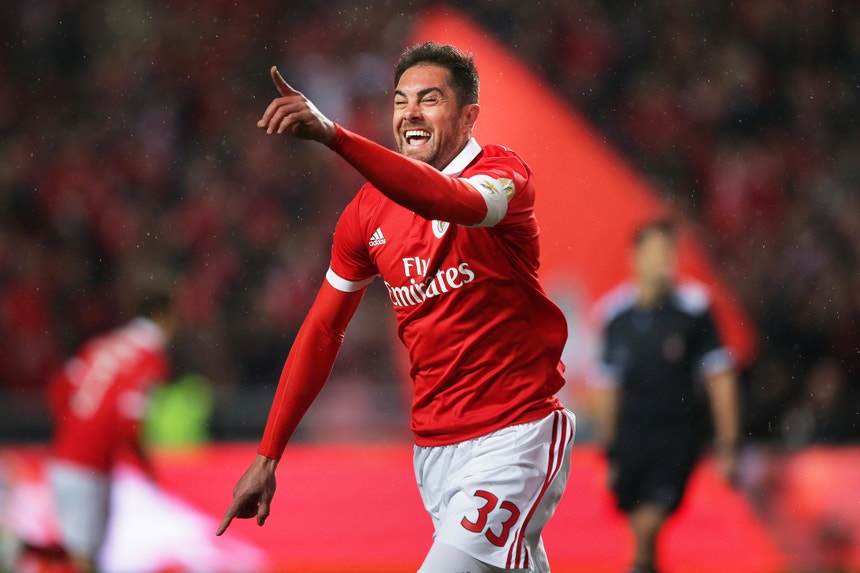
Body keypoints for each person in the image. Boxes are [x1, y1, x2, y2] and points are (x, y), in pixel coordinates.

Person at [216, 42, 576, 573]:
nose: (410, 113)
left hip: (514, 435)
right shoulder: (366, 213)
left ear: (468, 116)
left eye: (430, 99)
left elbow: (446, 200)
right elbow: (323, 329)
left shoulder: (504, 174)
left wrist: (334, 136)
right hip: (434, 450)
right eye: (401, 101)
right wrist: (268, 455)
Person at [590, 218, 740, 573]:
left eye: (670, 252)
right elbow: (606, 389)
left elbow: (720, 378)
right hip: (630, 438)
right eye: (656, 251)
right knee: (641, 531)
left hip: (677, 437)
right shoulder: (614, 315)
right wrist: (607, 449)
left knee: (647, 526)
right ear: (636, 257)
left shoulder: (694, 309)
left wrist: (727, 443)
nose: (664, 261)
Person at [45, 288, 178, 573]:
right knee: (84, 558)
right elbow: (128, 422)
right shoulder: (149, 358)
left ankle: (21, 549)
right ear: (164, 316)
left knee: (78, 552)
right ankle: (18, 548)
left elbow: (59, 390)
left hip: (66, 458)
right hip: (90, 469)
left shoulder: (102, 344)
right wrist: (146, 466)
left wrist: (75, 433)